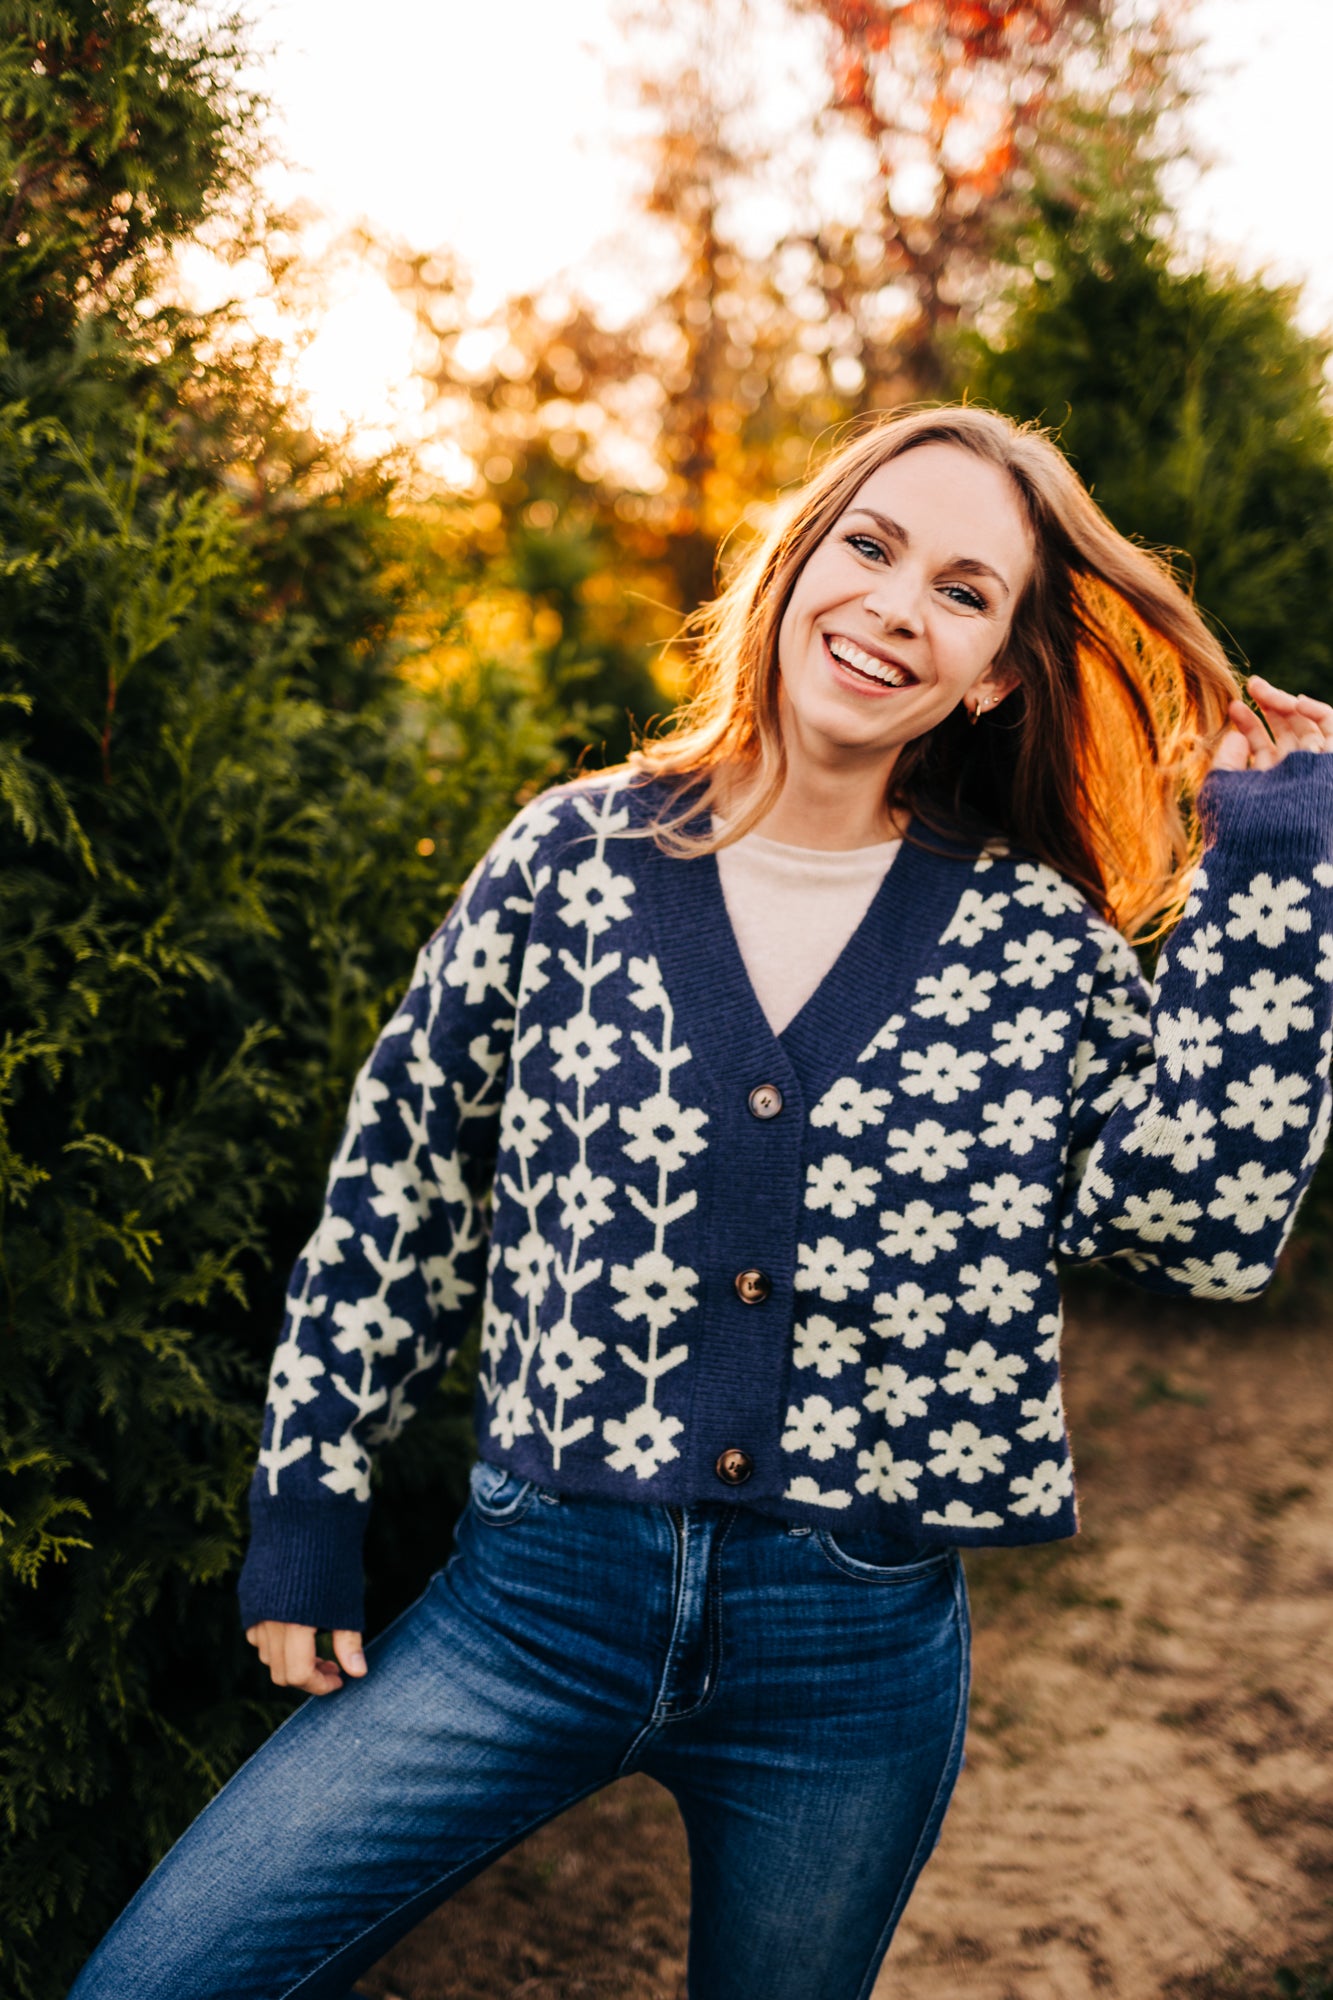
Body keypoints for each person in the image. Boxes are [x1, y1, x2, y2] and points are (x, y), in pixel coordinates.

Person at [71, 405, 1333, 2000]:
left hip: (847, 1656)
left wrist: (1270, 871)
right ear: (796, 562)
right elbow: (404, 1182)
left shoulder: (1037, 948)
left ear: (995, 674)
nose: (896, 607)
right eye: (869, 547)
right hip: (531, 1605)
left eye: (962, 592)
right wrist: (308, 1506)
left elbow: (1199, 1231)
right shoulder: (569, 863)